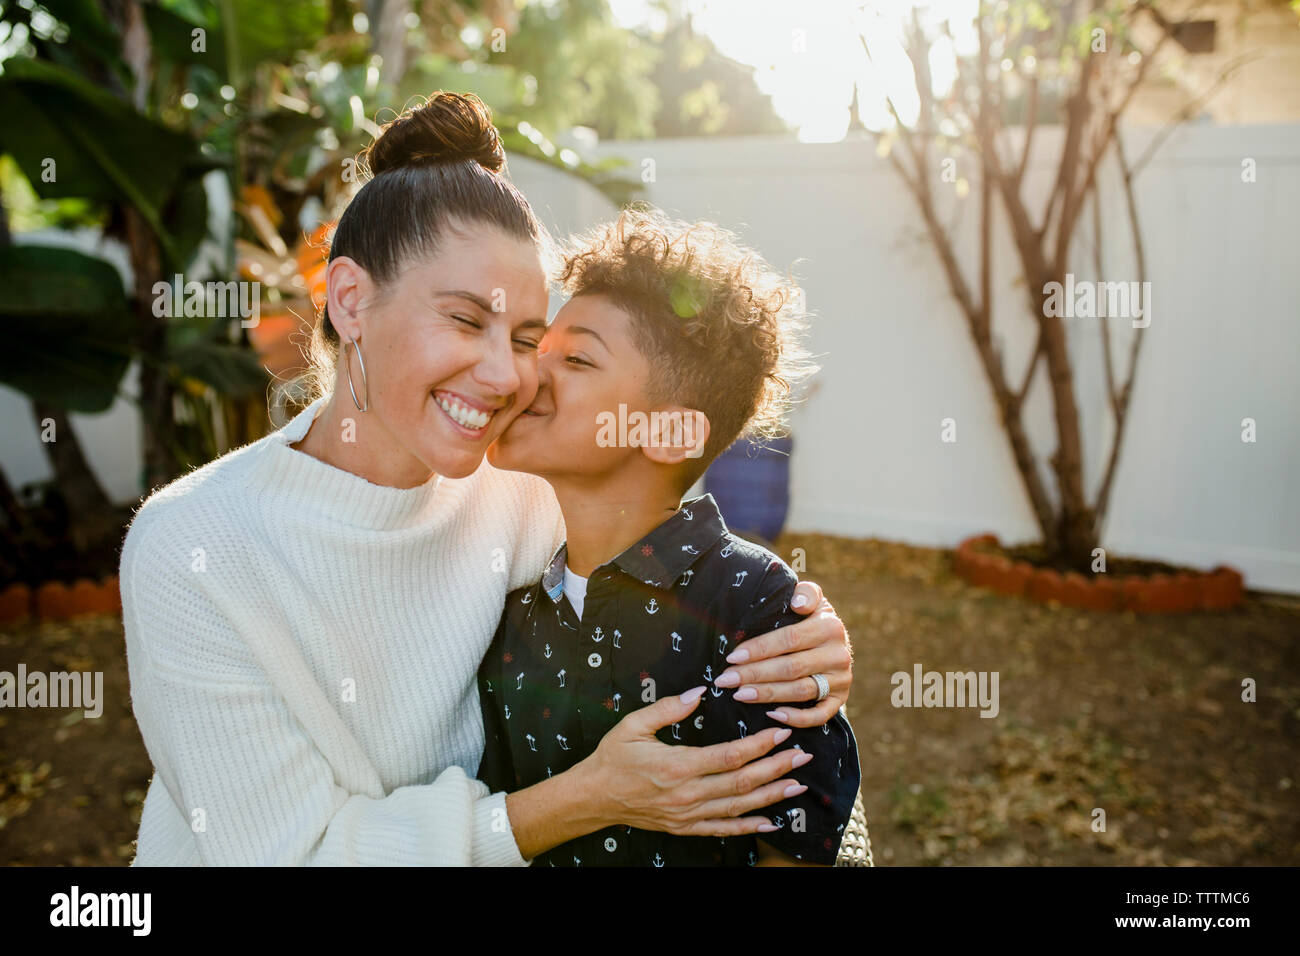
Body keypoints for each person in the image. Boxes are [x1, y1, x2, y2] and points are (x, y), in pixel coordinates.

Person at [120, 92, 855, 866]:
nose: (507, 375)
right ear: (349, 300)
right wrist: (585, 798)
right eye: (467, 321)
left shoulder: (523, 484)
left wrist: (802, 632)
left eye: (527, 338)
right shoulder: (191, 548)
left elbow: (665, 521)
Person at [477, 207, 862, 866]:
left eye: (575, 358)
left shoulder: (753, 602)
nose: (528, 375)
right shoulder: (516, 602)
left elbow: (795, 841)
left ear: (669, 432)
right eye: (538, 349)